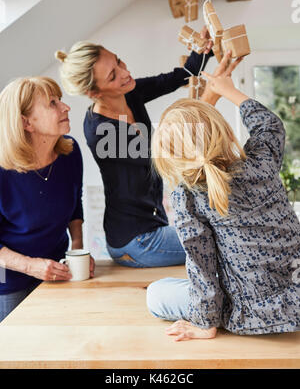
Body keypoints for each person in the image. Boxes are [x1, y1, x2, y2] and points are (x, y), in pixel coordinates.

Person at [147, 50, 300, 339]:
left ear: (171, 158)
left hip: (251, 312)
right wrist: (228, 90)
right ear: (226, 131)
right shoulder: (260, 162)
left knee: (156, 293)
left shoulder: (187, 198)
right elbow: (270, 125)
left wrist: (205, 325)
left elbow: (202, 267)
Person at [55, 27, 216, 268]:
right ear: (94, 92)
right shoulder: (101, 131)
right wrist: (211, 96)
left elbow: (175, 78)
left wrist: (203, 51)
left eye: (118, 61)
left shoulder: (129, 93)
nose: (124, 72)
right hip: (136, 242)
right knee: (220, 236)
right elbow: (167, 152)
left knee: (220, 234)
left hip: (152, 229)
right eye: (112, 75)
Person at [0, 76, 95, 323]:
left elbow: (75, 204)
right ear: (25, 122)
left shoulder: (70, 152)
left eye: (60, 100)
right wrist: (32, 266)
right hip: (8, 280)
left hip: (56, 270)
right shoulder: (2, 171)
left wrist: (77, 250)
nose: (66, 107)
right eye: (52, 103)